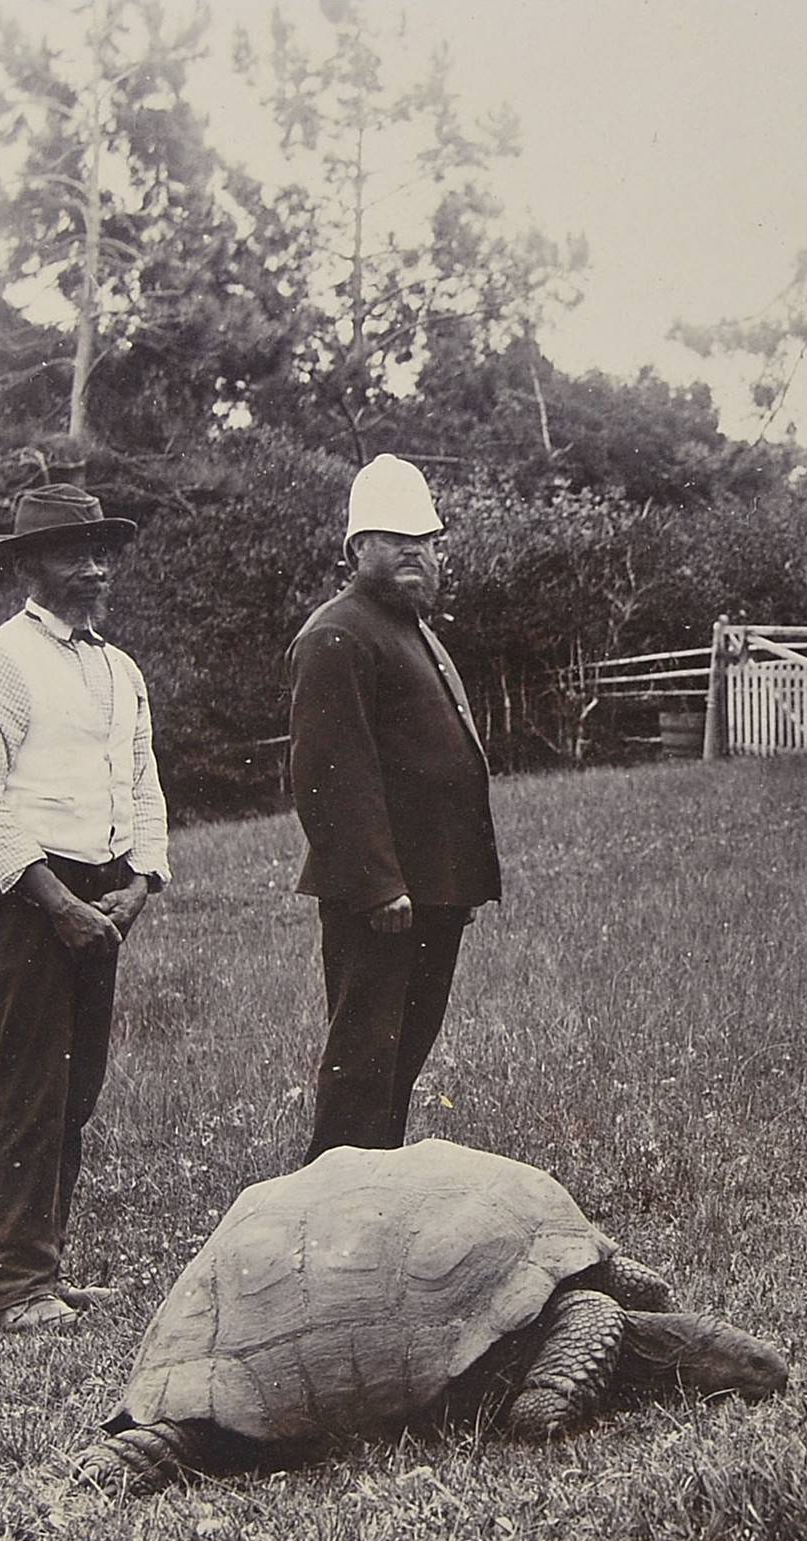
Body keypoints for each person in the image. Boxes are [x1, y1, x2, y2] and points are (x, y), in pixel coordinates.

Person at [0, 483, 170, 1332]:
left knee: (76, 1092)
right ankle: (15, 1287)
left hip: (103, 899)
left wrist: (141, 882)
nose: (96, 567)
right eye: (75, 551)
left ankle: (48, 1269)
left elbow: (142, 782)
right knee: (30, 1089)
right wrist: (55, 900)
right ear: (29, 564)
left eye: (104, 551)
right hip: (28, 902)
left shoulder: (120, 668)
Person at [287, 454, 501, 1163]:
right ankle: (331, 1214)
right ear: (356, 550)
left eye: (427, 539)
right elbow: (330, 775)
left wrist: (456, 882)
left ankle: (372, 1198)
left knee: (399, 1061)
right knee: (362, 1063)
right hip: (382, 897)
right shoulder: (338, 634)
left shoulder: (413, 630)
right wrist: (379, 883)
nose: (415, 551)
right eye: (393, 537)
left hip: (432, 889)